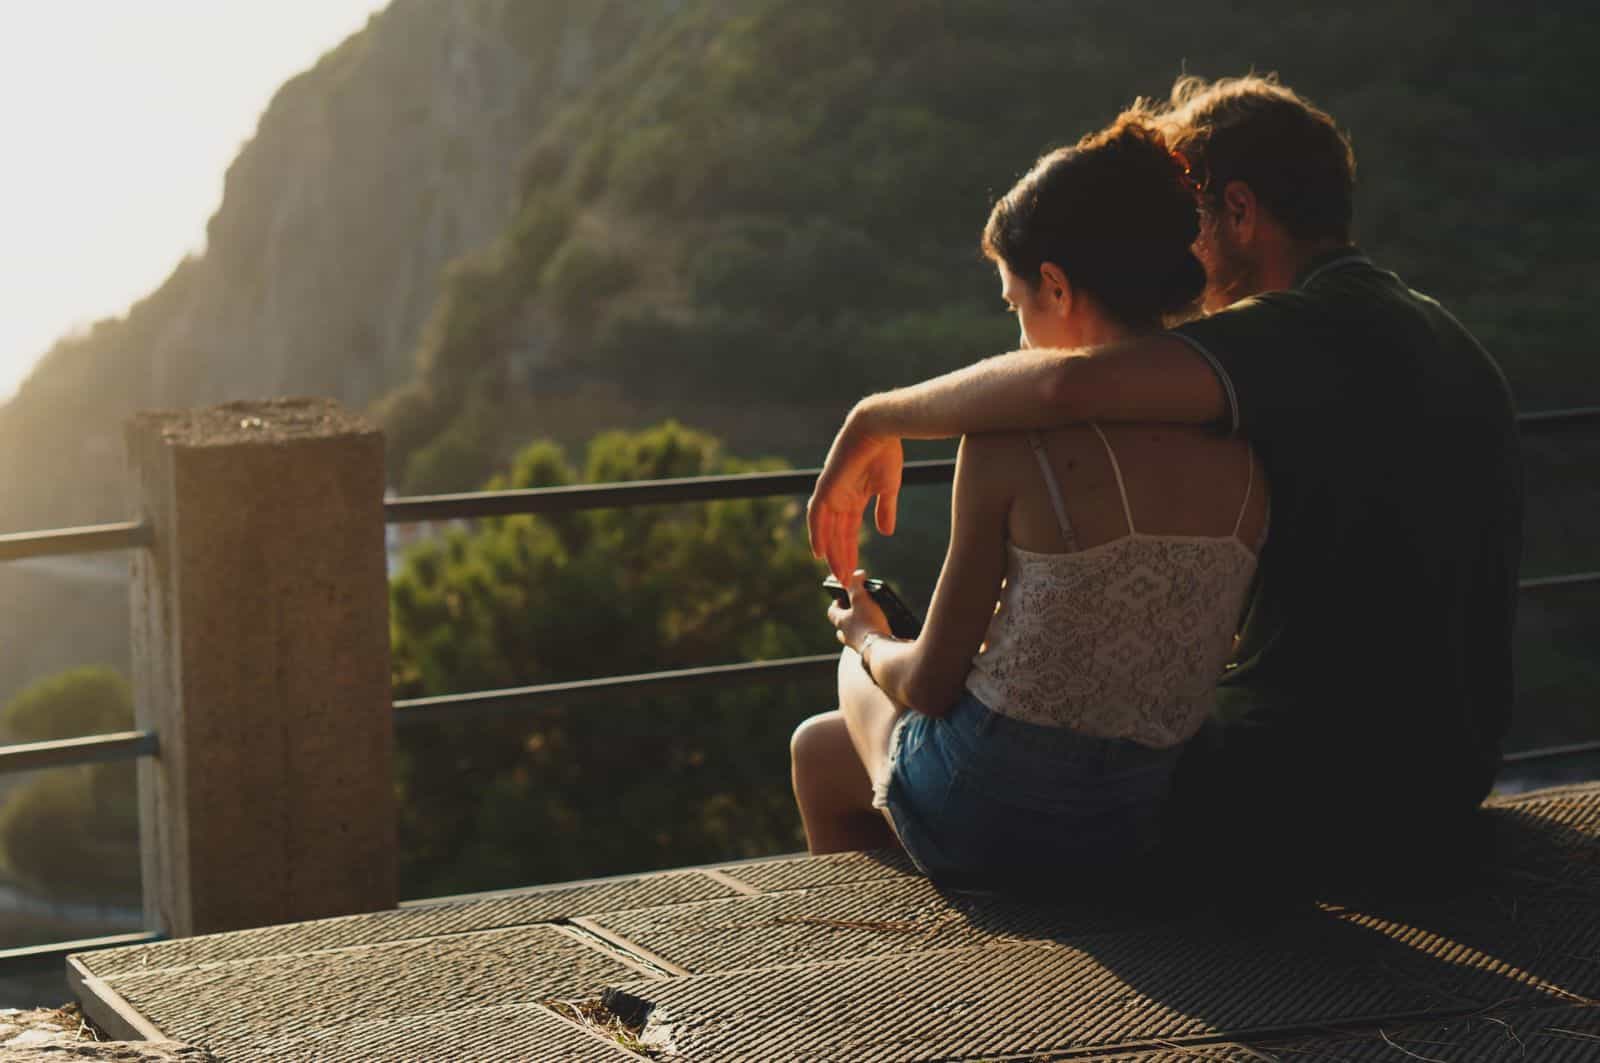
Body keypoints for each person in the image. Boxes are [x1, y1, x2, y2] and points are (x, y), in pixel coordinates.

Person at [804, 75, 1522, 889]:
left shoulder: (1297, 332)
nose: (1179, 248)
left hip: (1310, 781)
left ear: (1241, 213)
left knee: (852, 739)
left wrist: (874, 417)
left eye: (1193, 217)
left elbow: (1064, 387)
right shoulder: (1439, 332)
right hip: (1449, 770)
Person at [790, 115, 1268, 883]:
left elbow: (929, 683)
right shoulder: (1241, 438)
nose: (1015, 340)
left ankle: (874, 960)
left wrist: (866, 636)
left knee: (838, 708)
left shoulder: (1011, 443)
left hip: (994, 816)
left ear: (1057, 286)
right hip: (1136, 819)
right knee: (827, 740)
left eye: (1016, 305)